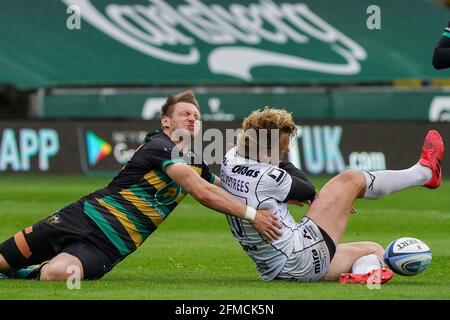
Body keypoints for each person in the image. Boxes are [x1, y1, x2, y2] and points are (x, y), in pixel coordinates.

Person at [0, 90, 282, 281]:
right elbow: (202, 192)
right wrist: (253, 216)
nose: (192, 119)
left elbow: (228, 188)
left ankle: (26, 275)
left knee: (57, 275)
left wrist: (279, 191)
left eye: (196, 116)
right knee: (2, 260)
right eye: (185, 114)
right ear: (166, 122)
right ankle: (12, 267)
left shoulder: (196, 163)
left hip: (109, 247)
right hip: (80, 218)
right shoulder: (159, 146)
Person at [220, 107, 444, 284]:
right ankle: (423, 173)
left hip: (281, 268)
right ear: (266, 150)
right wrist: (332, 196)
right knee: (349, 181)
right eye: (283, 147)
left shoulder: (231, 158)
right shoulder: (267, 176)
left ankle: (368, 276)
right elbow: (307, 189)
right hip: (299, 255)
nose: (286, 151)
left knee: (373, 250)